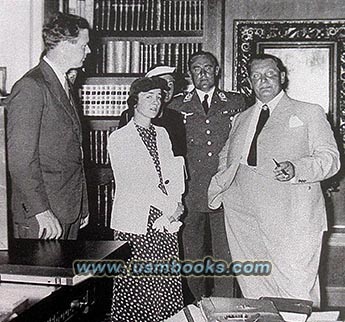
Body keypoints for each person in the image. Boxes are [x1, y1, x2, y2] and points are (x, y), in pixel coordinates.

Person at [208, 53, 340, 306]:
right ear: (249, 82)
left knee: (296, 284)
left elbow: (330, 159)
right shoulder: (241, 118)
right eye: (256, 76)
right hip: (243, 216)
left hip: (291, 214)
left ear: (282, 77)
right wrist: (223, 190)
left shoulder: (309, 112)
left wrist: (297, 168)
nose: (264, 81)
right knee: (255, 283)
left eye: (269, 74)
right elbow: (227, 157)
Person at [5, 12, 91, 240]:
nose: (88, 51)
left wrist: (81, 205)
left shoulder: (63, 84)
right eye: (84, 45)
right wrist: (41, 211)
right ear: (63, 45)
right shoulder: (31, 87)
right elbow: (21, 160)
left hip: (67, 208)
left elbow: (71, 151)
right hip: (44, 216)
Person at [169, 51, 246, 301]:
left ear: (217, 71)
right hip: (190, 189)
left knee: (226, 254)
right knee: (192, 254)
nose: (202, 73)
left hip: (226, 189)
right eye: (196, 68)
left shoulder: (236, 102)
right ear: (190, 73)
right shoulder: (176, 105)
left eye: (208, 68)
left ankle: (225, 307)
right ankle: (197, 304)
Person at [108, 77, 186, 321]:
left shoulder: (162, 134)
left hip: (165, 221)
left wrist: (177, 203)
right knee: (140, 287)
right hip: (137, 221)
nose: (155, 102)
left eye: (159, 97)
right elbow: (135, 183)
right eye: (148, 96)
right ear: (134, 101)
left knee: (163, 285)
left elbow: (172, 173)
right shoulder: (119, 138)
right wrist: (170, 208)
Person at [119, 65, 187, 157]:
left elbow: (179, 154)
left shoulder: (175, 117)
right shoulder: (129, 115)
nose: (167, 90)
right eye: (162, 84)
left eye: (171, 84)